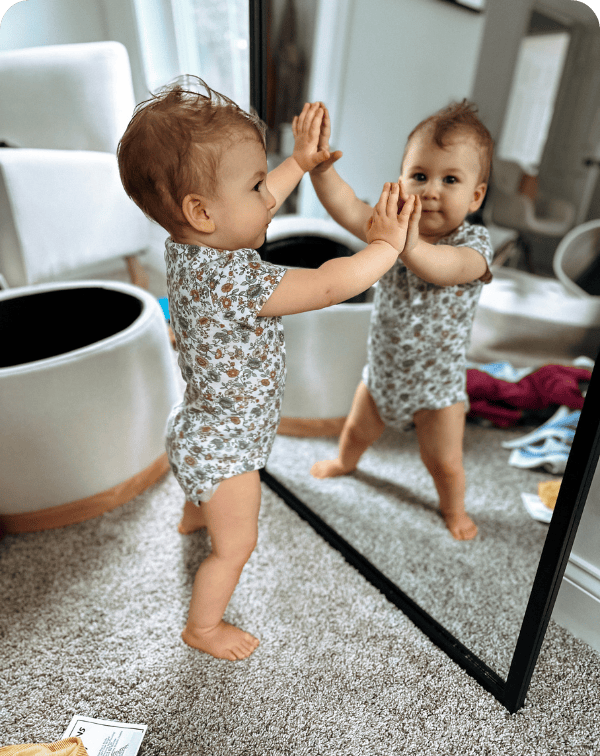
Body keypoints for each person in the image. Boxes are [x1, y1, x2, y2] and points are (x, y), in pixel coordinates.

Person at [117, 77, 420, 661]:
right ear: (201, 211)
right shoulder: (237, 279)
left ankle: (193, 514)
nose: (269, 197)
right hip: (226, 449)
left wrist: (298, 163)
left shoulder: (187, 246)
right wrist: (385, 247)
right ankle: (202, 627)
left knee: (208, 497)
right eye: (256, 185)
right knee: (237, 545)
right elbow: (328, 285)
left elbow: (252, 204)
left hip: (198, 427)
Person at [308, 100, 495, 542]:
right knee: (355, 431)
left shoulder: (475, 244)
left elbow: (443, 268)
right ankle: (346, 463)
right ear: (401, 180)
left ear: (475, 196)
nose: (431, 191)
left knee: (444, 462)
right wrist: (320, 170)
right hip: (383, 376)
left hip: (437, 389)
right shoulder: (389, 227)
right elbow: (347, 206)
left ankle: (453, 509)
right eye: (419, 176)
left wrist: (404, 244)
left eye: (450, 180)